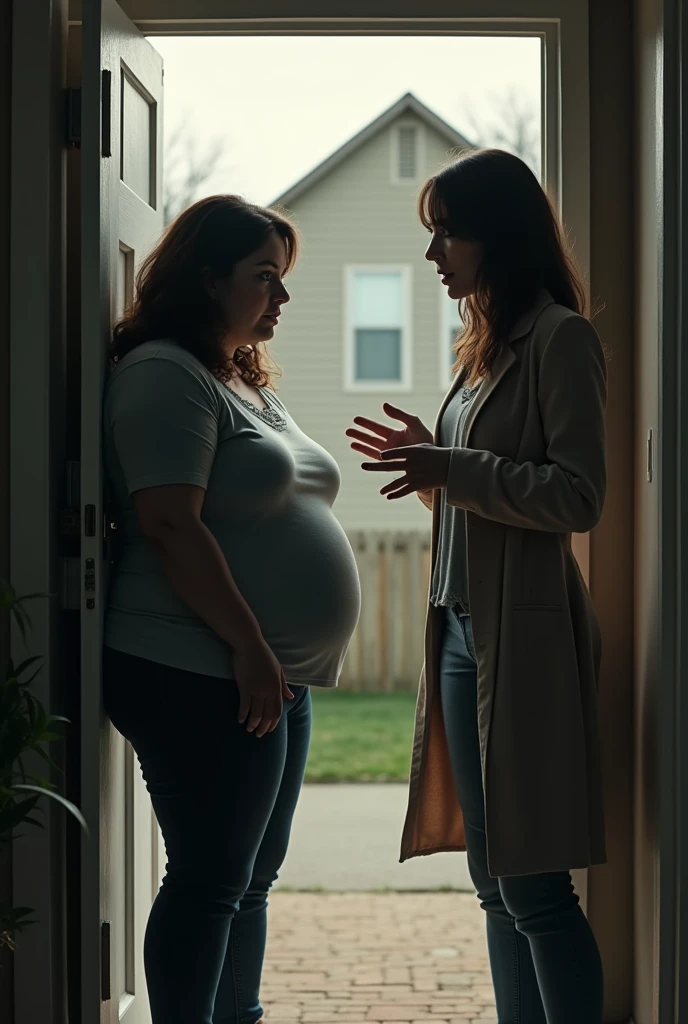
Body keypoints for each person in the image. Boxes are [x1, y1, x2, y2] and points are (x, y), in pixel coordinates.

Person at [346, 149, 607, 1024]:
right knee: (493, 886)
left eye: (446, 234)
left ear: (499, 233)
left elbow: (577, 494)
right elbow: (482, 489)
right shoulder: (482, 346)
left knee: (533, 886)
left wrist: (450, 463)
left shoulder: (560, 337)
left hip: (522, 641)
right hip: (461, 633)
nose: (434, 257)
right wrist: (432, 465)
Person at [102, 195, 361, 1024]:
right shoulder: (162, 372)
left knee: (246, 879)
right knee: (212, 879)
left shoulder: (236, 376)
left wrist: (267, 657)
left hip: (262, 672)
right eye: (264, 279)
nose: (281, 299)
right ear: (207, 278)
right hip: (198, 665)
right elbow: (169, 524)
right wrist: (251, 645)